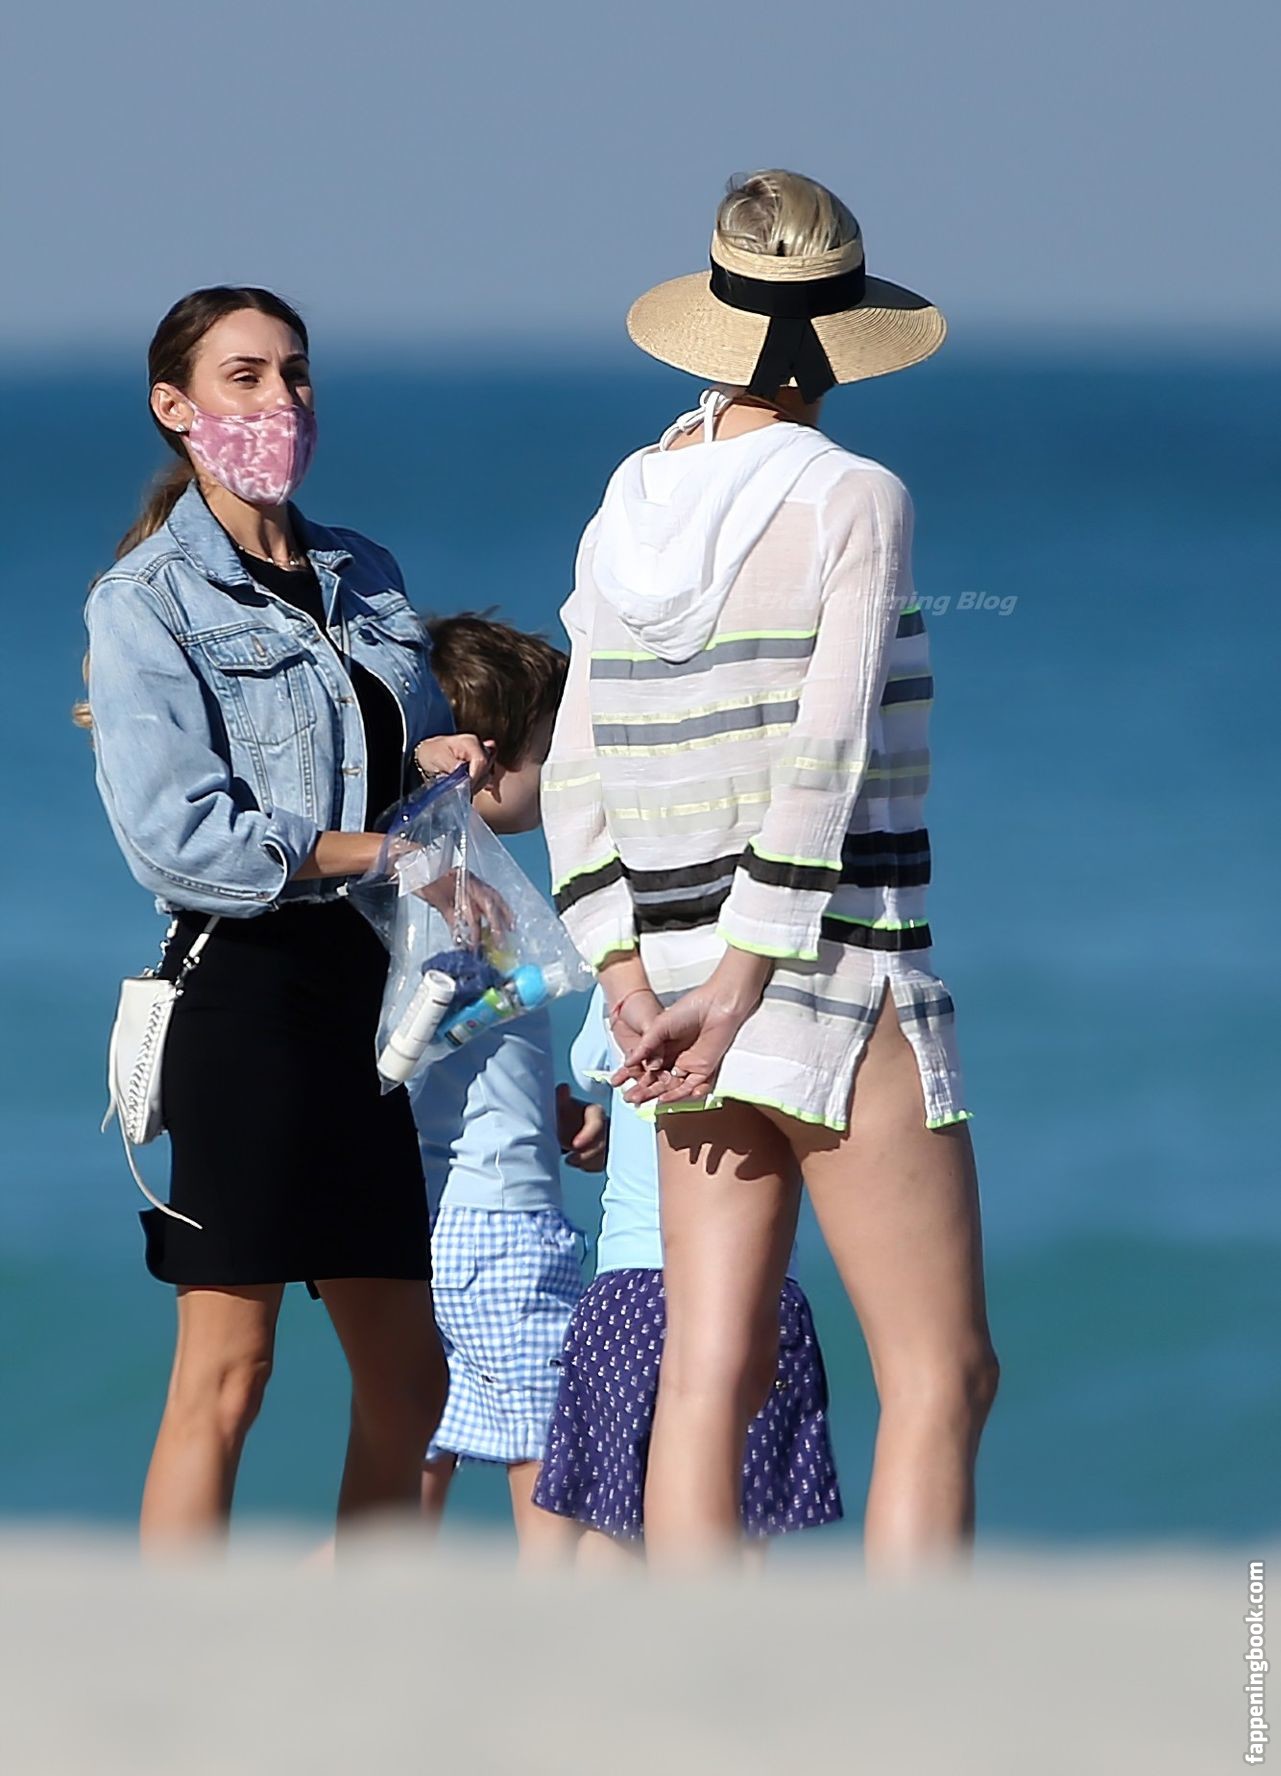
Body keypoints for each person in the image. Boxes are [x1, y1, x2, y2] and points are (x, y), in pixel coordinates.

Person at [542, 171, 1000, 1570]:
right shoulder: (856, 495)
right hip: (822, 970)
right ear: (844, 331)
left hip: (672, 984)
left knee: (707, 1371)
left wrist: (625, 975)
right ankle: (915, 1683)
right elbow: (828, 753)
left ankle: (699, 1684)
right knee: (940, 1375)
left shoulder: (625, 503)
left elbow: (575, 769)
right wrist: (745, 982)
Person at [81, 287, 489, 1549]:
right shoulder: (144, 602)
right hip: (244, 996)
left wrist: (439, 764)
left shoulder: (366, 571)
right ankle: (170, 1652)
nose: (279, 401)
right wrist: (376, 849)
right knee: (228, 1373)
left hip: (376, 997)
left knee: (412, 1378)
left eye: (295, 374)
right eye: (245, 377)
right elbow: (178, 837)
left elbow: (393, 762)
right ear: (177, 407)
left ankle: (358, 1637)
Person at [410, 615, 607, 1562]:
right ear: (486, 757)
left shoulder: (415, 874)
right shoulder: (463, 891)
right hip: (498, 1219)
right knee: (549, 1459)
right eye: (549, 747)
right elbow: (459, 1015)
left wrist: (547, 1105)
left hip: (423, 1211)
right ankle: (553, 1623)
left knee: (414, 1455)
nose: (562, 770)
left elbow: (438, 1046)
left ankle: (340, 1610)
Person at [533, 986, 842, 1562]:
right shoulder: (774, 986)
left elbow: (590, 1065)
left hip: (625, 1291)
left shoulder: (628, 984)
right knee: (741, 1526)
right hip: (751, 1289)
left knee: (609, 1526)